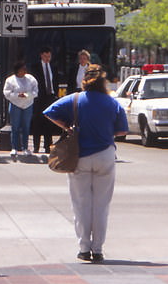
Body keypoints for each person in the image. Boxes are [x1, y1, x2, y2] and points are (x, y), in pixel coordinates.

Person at [44, 64, 128, 263]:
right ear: (103, 82)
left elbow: (49, 111)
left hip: (79, 155)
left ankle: (84, 247)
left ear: (84, 81)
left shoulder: (75, 99)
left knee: (81, 204)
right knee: (101, 205)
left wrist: (67, 127)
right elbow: (122, 131)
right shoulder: (112, 103)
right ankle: (98, 249)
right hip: (105, 155)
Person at [4, 60, 38, 158]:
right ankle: (14, 148)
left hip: (28, 105)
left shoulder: (31, 79)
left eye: (25, 69)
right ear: (17, 70)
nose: (24, 71)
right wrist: (17, 95)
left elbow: (36, 91)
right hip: (15, 105)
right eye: (22, 69)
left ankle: (25, 148)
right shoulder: (10, 80)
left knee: (26, 127)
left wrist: (27, 95)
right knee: (15, 127)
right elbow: (7, 93)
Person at [30, 46, 60, 154]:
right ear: (41, 55)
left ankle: (48, 146)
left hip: (50, 97)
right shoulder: (35, 67)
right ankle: (36, 146)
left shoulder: (53, 67)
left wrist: (55, 94)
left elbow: (55, 82)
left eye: (49, 56)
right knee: (37, 122)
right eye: (46, 56)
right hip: (39, 97)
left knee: (49, 122)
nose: (48, 58)